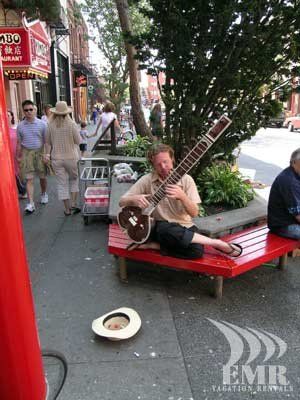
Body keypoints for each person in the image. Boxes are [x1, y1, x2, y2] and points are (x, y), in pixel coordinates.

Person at [119, 144, 243, 259]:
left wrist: (183, 197)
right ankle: (215, 242)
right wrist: (134, 199)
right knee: (163, 228)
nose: (163, 167)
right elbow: (121, 202)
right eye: (158, 164)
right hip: (159, 228)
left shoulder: (186, 180)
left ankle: (154, 245)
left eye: (165, 162)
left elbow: (194, 213)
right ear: (153, 165)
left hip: (184, 226)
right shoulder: (147, 180)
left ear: (172, 159)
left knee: (196, 251)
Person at [44, 101, 81, 216]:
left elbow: (48, 142)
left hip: (56, 158)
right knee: (74, 179)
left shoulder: (50, 125)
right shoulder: (72, 124)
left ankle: (67, 209)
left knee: (62, 183)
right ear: (67, 113)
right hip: (71, 157)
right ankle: (74, 204)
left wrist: (47, 154)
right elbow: (78, 141)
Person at [16, 100, 48, 214]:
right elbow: (19, 143)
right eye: (26, 110)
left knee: (42, 177)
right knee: (29, 179)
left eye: (31, 109)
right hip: (26, 154)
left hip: (40, 153)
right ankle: (31, 203)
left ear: (35, 110)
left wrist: (47, 155)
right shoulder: (20, 126)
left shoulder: (43, 124)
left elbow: (47, 142)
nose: (29, 112)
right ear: (23, 111)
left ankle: (44, 193)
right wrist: (18, 156)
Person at [268, 148, 300, 239]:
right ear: (294, 163)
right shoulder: (290, 181)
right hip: (283, 225)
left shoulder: (296, 174)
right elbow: (298, 215)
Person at [7, 110, 27, 198]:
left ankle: (23, 191)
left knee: (18, 172)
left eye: (8, 115)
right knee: (11, 173)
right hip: (6, 156)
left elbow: (22, 140)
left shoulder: (17, 127)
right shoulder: (2, 129)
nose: (6, 117)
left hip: (16, 153)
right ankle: (18, 191)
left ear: (12, 117)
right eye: (5, 115)